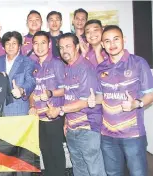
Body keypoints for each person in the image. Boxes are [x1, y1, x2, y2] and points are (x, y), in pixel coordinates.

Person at [91, 25, 153, 176]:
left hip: (132, 135)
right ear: (103, 45)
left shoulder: (138, 63)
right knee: (113, 173)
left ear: (124, 40)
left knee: (138, 173)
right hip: (107, 135)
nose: (112, 44)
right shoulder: (101, 68)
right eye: (107, 41)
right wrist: (93, 100)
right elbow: (101, 96)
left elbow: (150, 95)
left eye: (116, 39)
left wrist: (136, 104)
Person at [47, 33, 106, 176]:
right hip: (72, 128)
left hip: (87, 128)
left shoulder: (85, 68)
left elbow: (85, 101)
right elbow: (69, 96)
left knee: (94, 170)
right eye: (61, 48)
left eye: (68, 46)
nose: (64, 51)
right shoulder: (67, 67)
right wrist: (66, 121)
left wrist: (59, 110)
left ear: (77, 47)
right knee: (79, 168)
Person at [0, 31, 35, 176]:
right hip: (1, 114)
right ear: (3, 46)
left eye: (14, 43)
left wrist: (22, 90)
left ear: (20, 46)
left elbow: (31, 81)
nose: (11, 46)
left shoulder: (27, 62)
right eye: (7, 43)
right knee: (4, 157)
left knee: (22, 158)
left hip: (20, 113)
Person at [29, 31, 66, 176]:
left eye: (43, 43)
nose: (39, 46)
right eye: (36, 43)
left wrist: (50, 93)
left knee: (56, 154)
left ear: (49, 44)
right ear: (32, 46)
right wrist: (32, 105)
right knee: (45, 154)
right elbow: (31, 90)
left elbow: (65, 89)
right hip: (38, 119)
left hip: (53, 117)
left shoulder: (57, 63)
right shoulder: (32, 65)